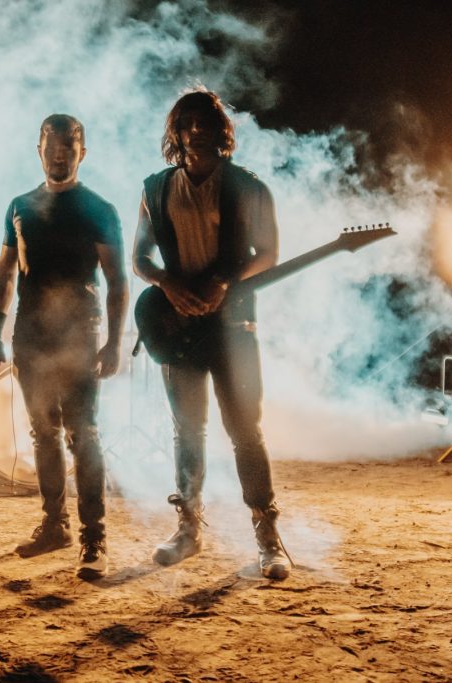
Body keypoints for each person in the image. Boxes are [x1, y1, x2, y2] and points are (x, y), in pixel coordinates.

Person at [132, 89, 291, 579]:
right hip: (178, 325)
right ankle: (188, 528)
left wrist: (227, 281)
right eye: (188, 123)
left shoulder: (248, 186)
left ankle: (267, 536)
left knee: (245, 431)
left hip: (233, 326)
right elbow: (140, 257)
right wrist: (168, 285)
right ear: (176, 133)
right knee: (187, 429)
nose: (197, 130)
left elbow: (268, 253)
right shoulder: (156, 188)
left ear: (221, 130)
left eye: (206, 122)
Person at [0, 114, 127, 580]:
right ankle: (54, 526)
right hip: (31, 335)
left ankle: (94, 538)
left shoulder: (98, 208)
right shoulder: (20, 206)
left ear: (82, 152)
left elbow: (117, 280)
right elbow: (5, 271)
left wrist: (113, 342)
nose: (59, 155)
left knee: (82, 434)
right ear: (39, 150)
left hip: (79, 335)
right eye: (52, 147)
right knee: (42, 433)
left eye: (69, 147)